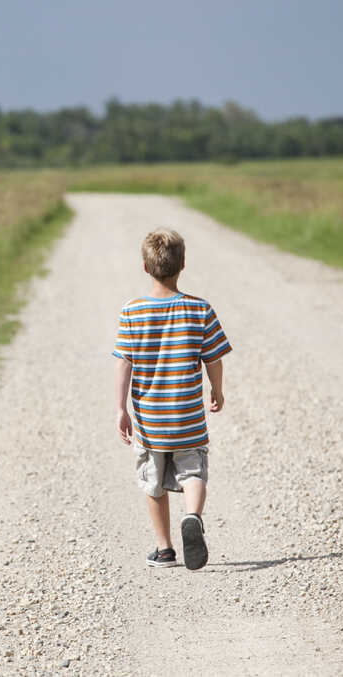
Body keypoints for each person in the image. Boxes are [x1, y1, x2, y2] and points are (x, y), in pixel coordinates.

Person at [112, 228, 231, 570]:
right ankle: (192, 516)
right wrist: (217, 390)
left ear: (145, 268)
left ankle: (164, 549)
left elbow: (124, 362)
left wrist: (121, 409)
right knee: (193, 470)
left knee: (154, 480)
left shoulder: (132, 312)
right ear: (183, 264)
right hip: (188, 415)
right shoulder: (199, 309)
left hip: (150, 419)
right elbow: (214, 358)